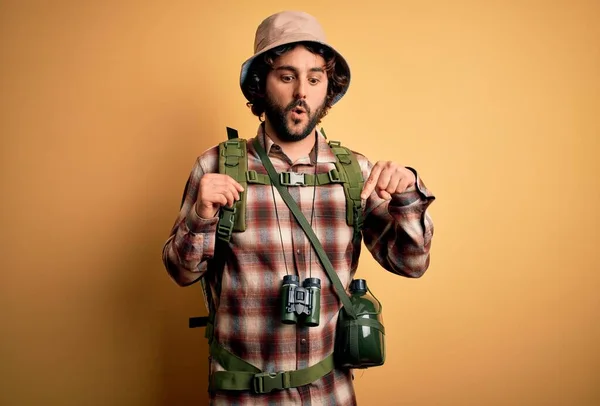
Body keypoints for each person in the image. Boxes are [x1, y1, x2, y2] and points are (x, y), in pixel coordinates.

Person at [162, 10, 435, 406]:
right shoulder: (216, 166)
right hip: (243, 397)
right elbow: (180, 272)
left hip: (331, 394)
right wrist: (202, 216)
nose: (301, 93)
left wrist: (408, 195)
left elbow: (412, 264)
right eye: (287, 76)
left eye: (314, 78)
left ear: (328, 87)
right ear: (261, 84)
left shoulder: (354, 172)